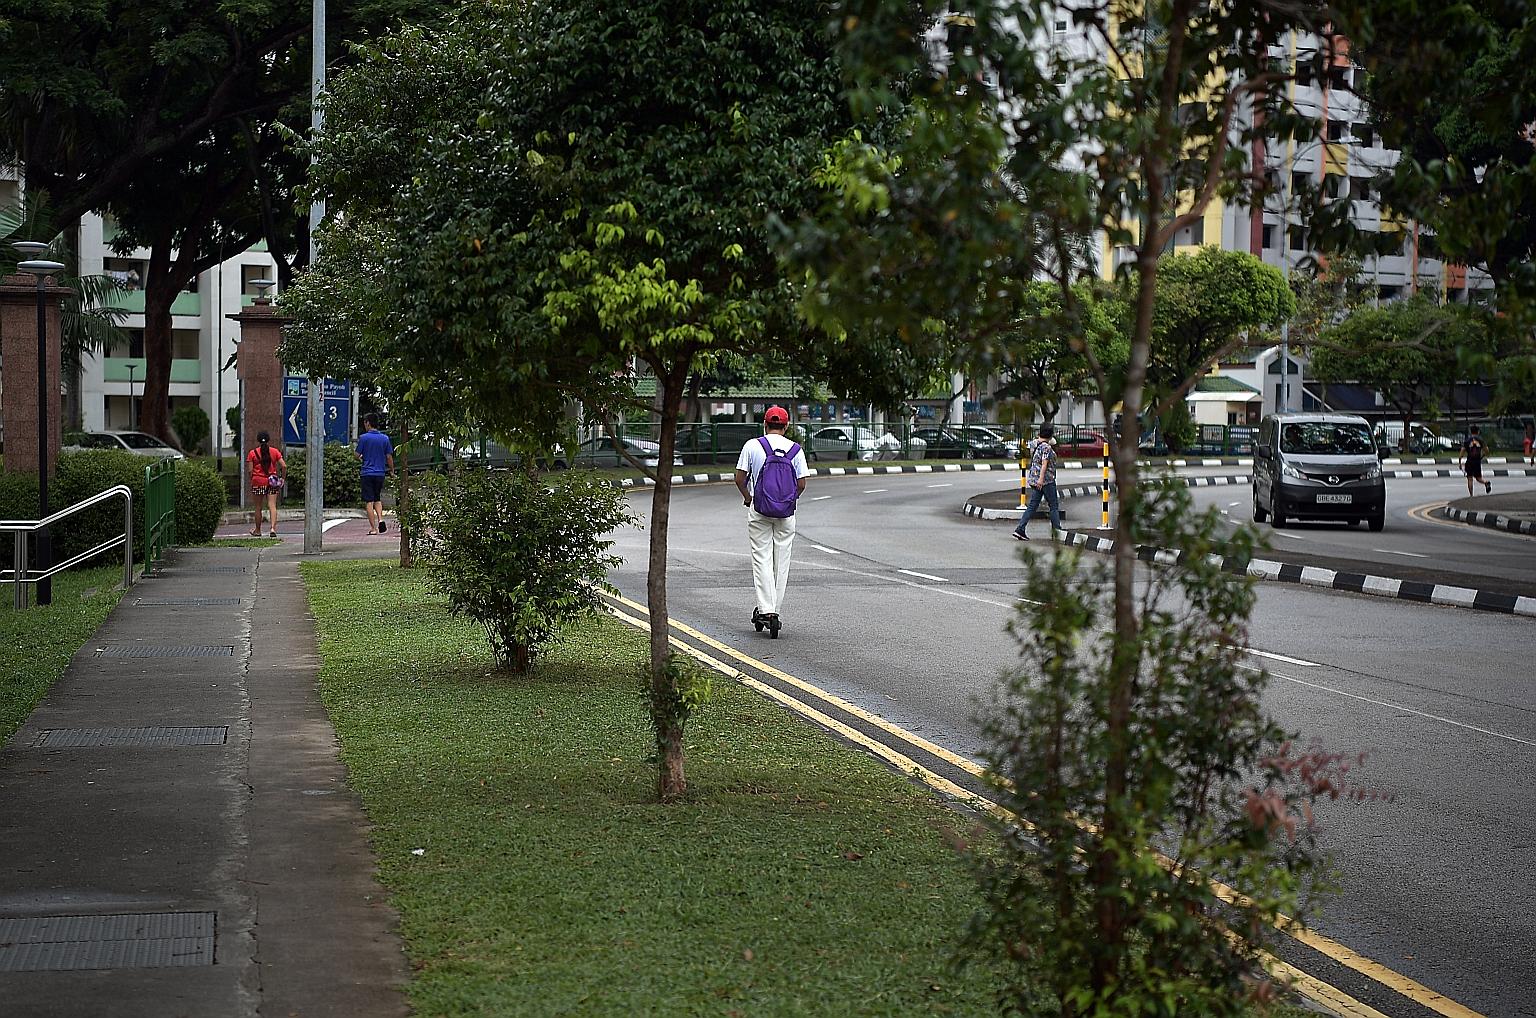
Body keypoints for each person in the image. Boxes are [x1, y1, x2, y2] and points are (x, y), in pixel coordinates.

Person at [734, 406, 809, 635]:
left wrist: (748, 498)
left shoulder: (752, 445)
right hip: (786, 514)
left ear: (765, 424)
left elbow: (739, 478)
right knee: (781, 561)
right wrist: (787, 500)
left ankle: (765, 609)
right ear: (786, 427)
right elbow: (802, 484)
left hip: (760, 510)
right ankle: (773, 609)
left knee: (762, 558)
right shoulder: (796, 450)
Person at [1012, 423, 1063, 541]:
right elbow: (1044, 463)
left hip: (1034, 479)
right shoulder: (1046, 447)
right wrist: (1041, 478)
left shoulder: (1034, 443)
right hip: (1046, 480)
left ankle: (1020, 529)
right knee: (1054, 506)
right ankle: (1057, 531)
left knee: (1032, 506)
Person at [356, 414, 395, 535]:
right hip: (380, 473)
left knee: (369, 501)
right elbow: (389, 457)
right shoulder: (385, 438)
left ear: (368, 423)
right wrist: (392, 470)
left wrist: (362, 457)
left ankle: (373, 528)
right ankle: (381, 519)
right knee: (377, 498)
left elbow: (356, 455)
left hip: (367, 473)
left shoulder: (364, 438)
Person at [246, 431, 286, 537]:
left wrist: (253, 479)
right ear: (268, 439)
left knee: (258, 507)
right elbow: (284, 466)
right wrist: (282, 478)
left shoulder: (252, 453)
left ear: (258, 440)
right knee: (272, 505)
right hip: (272, 482)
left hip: (258, 481)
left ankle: (258, 530)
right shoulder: (274, 451)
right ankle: (273, 529)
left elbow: (250, 471)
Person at [1461, 424, 1491, 496]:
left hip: (1470, 461)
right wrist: (1482, 456)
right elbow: (1487, 451)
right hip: (1477, 461)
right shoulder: (1480, 440)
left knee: (1470, 478)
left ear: (1471, 432)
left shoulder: (1467, 440)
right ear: (1478, 431)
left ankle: (1471, 495)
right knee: (1478, 478)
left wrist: (1460, 461)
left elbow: (1462, 451)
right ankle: (1486, 482)